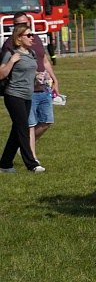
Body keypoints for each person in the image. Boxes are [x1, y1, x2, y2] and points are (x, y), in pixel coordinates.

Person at [2, 12, 61, 165]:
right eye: (17, 25)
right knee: (27, 125)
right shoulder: (9, 46)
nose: (24, 28)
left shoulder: (34, 42)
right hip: (23, 90)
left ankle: (15, 152)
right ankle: (32, 160)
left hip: (43, 87)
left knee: (46, 121)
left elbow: (44, 60)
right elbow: (3, 72)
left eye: (25, 24)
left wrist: (53, 77)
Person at [0, 24, 45, 173]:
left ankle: (5, 164)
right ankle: (31, 164)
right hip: (13, 95)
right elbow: (1, 74)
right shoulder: (11, 53)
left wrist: (38, 76)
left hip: (27, 95)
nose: (33, 37)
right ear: (19, 38)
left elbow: (30, 71)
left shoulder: (31, 53)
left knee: (17, 129)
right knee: (23, 128)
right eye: (29, 35)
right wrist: (12, 61)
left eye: (32, 34)